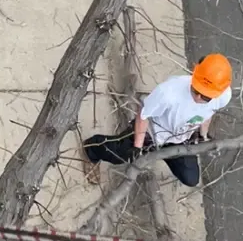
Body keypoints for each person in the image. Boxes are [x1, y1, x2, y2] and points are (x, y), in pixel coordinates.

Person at [82, 54, 234, 187]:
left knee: (190, 177)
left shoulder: (223, 96)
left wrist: (203, 135)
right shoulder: (168, 92)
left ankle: (164, 154)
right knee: (121, 154)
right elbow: (144, 114)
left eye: (205, 96)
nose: (198, 97)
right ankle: (92, 149)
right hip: (153, 132)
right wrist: (137, 148)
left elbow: (208, 113)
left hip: (180, 137)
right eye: (196, 89)